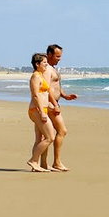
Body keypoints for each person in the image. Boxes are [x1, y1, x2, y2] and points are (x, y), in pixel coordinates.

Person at [43, 44, 77, 172]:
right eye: (57, 56)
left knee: (45, 135)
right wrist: (55, 105)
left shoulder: (52, 68)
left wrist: (65, 96)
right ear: (49, 55)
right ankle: (56, 162)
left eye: (60, 56)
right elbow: (47, 88)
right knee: (62, 131)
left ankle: (44, 163)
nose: (59, 59)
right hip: (50, 105)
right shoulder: (47, 69)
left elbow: (56, 85)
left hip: (53, 103)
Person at [27, 53, 54, 172]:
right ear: (37, 64)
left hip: (42, 109)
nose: (46, 65)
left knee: (39, 139)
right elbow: (35, 95)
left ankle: (36, 165)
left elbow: (43, 95)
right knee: (50, 137)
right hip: (37, 111)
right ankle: (33, 160)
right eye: (44, 63)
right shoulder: (36, 76)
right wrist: (42, 112)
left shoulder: (41, 76)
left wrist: (50, 105)